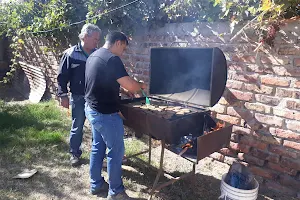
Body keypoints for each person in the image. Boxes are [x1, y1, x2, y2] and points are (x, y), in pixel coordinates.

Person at [84, 31, 147, 199]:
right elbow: (132, 86)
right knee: (116, 152)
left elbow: (102, 81)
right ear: (118, 43)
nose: (123, 52)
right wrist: (140, 85)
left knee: (98, 147)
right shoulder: (112, 59)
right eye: (124, 48)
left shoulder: (94, 55)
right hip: (105, 114)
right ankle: (116, 192)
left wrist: (123, 88)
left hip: (92, 109)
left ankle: (96, 184)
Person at [57, 24, 101, 167]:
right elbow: (62, 77)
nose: (97, 42)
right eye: (95, 39)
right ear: (85, 37)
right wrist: (62, 94)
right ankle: (74, 154)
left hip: (95, 98)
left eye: (98, 40)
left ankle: (98, 154)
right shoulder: (70, 54)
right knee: (77, 126)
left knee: (97, 127)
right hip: (78, 97)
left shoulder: (97, 54)